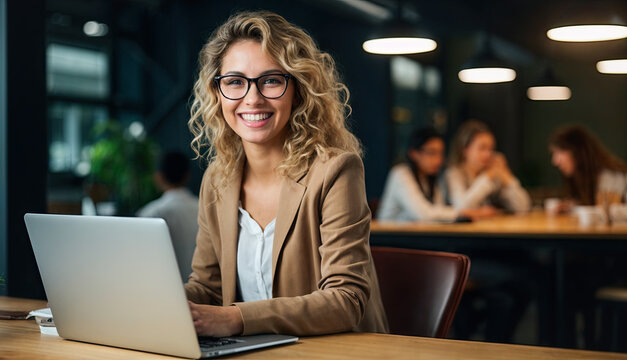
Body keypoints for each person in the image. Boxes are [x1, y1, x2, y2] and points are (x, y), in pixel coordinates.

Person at [184, 11, 388, 337]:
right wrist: (165, 302)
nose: (252, 98)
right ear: (217, 92)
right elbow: (208, 288)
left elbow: (345, 300)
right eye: (235, 81)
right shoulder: (217, 180)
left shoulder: (335, 170)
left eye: (271, 80)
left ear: (299, 90)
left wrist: (236, 318)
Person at [377, 127, 493, 222]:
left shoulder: (430, 177)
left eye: (440, 153)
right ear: (414, 153)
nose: (438, 160)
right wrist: (464, 213)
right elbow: (424, 213)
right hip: (391, 242)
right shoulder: (400, 174)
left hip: (417, 238)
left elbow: (438, 209)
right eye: (431, 153)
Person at [445, 120, 531, 214]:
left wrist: (507, 177)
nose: (488, 154)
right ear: (465, 150)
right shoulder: (454, 174)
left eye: (491, 149)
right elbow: (462, 207)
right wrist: (486, 176)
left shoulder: (494, 174)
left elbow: (524, 207)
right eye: (482, 148)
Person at [137, 151, 199, 281]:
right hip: (203, 289)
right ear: (187, 176)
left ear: (158, 177)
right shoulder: (205, 208)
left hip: (163, 288)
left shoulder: (150, 214)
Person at [549, 124, 627, 219]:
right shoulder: (584, 179)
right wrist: (571, 207)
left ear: (578, 152)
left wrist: (596, 211)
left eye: (560, 152)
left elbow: (601, 210)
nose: (555, 161)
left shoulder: (616, 177)